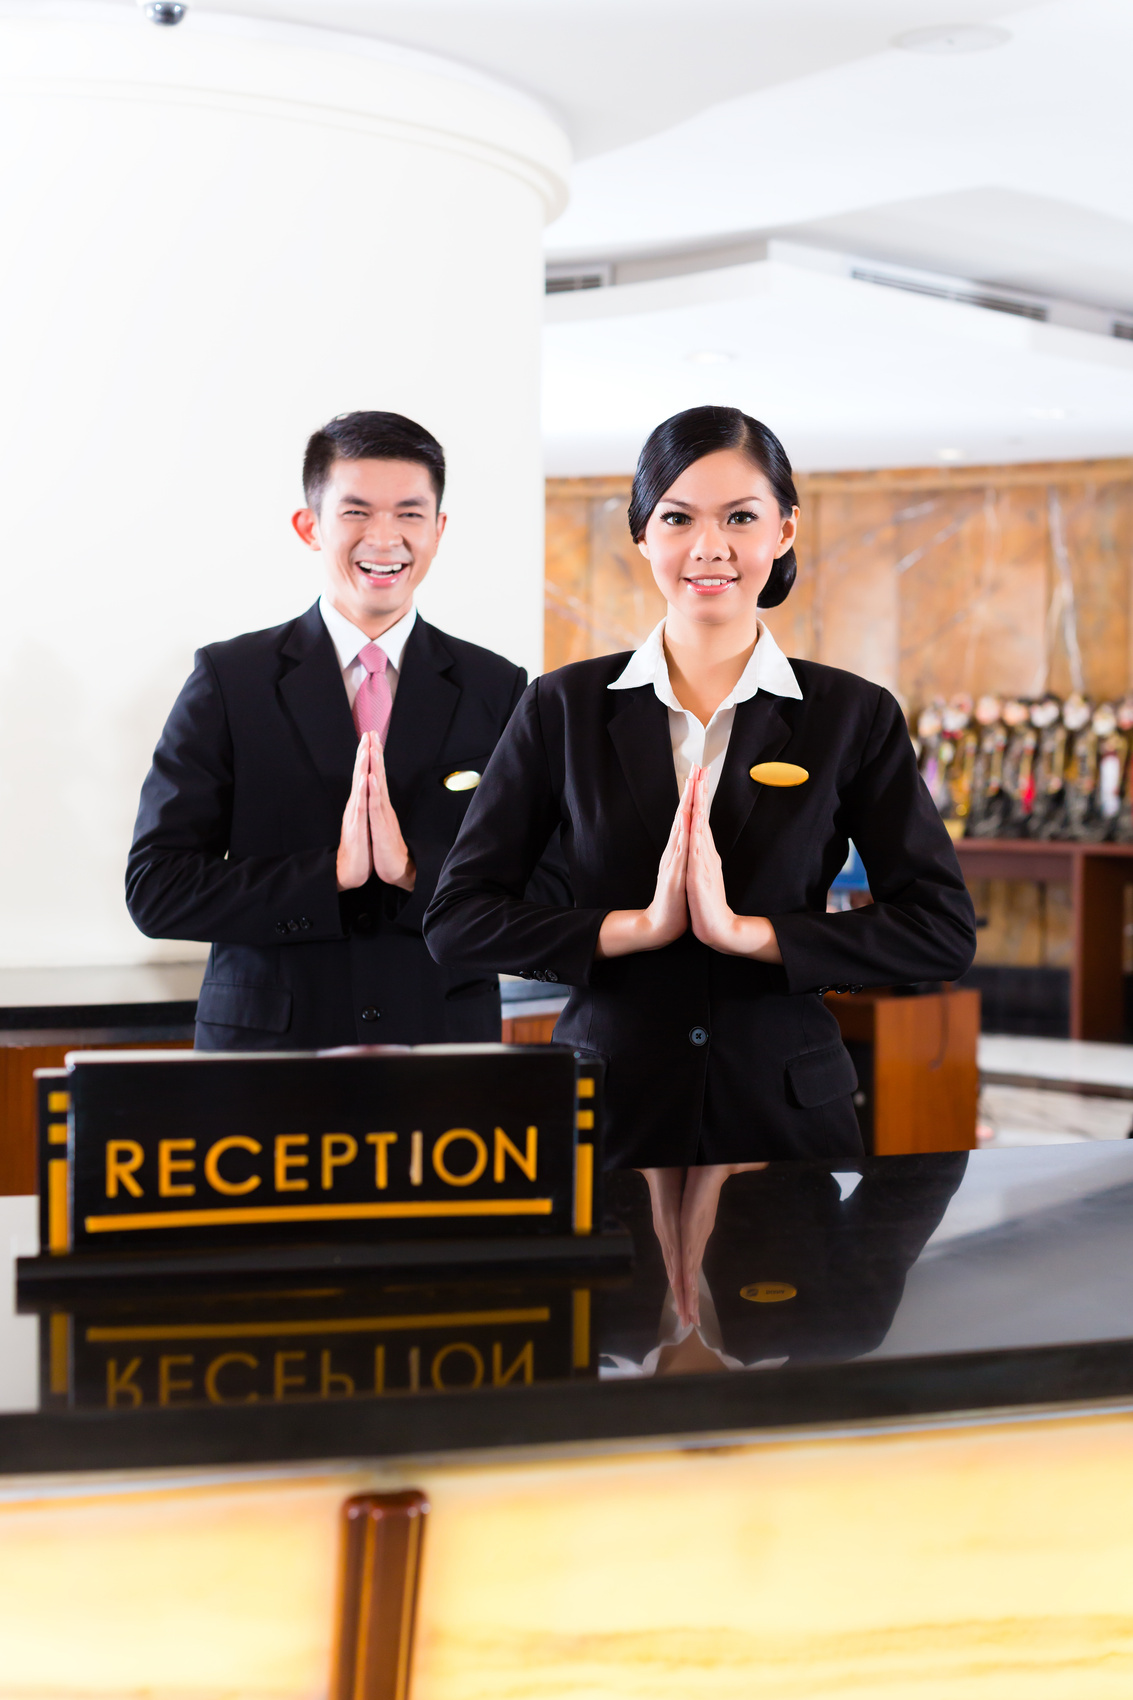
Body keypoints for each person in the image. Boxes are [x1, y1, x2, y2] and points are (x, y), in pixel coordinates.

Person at [424, 405, 977, 1168]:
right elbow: (458, 920)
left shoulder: (851, 715)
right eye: (678, 517)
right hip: (608, 1115)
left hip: (785, 1117)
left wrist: (751, 936)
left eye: (740, 517)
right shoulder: (562, 706)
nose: (708, 547)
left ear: (782, 530)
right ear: (642, 534)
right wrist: (635, 928)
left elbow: (940, 931)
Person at [127, 410, 564, 1049]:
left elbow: (550, 887)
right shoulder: (230, 679)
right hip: (266, 1054)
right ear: (310, 526)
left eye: (410, 514)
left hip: (442, 1049)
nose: (384, 538)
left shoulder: (496, 688)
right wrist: (328, 873)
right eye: (356, 512)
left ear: (439, 531)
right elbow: (157, 889)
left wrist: (415, 869)